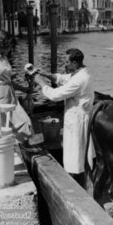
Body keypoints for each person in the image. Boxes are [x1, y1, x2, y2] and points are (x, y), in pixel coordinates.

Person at [33, 48, 95, 187]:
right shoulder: (80, 72)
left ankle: (79, 184)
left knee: (76, 156)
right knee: (76, 155)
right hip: (75, 119)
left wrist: (41, 83)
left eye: (67, 62)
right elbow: (62, 78)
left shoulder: (80, 79)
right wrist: (43, 74)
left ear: (74, 62)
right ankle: (79, 180)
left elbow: (55, 95)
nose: (64, 65)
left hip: (78, 121)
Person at [0, 33, 34, 143]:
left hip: (10, 95)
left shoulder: (4, 57)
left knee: (25, 123)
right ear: (3, 44)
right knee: (1, 130)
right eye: (9, 46)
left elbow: (8, 81)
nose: (11, 49)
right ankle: (12, 152)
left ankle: (20, 148)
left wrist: (23, 89)